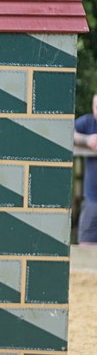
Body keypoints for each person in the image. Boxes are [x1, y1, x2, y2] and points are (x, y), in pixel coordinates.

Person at [74, 93, 97, 246]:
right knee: (86, 246)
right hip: (93, 199)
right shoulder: (88, 122)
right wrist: (86, 140)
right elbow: (66, 131)